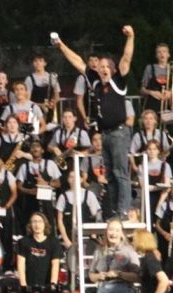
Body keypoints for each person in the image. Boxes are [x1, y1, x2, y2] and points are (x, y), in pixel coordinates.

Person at [56, 25, 136, 217]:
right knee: (110, 175)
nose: (104, 69)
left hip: (119, 132)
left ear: (113, 69)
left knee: (120, 173)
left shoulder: (118, 81)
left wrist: (131, 37)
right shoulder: (95, 81)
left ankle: (123, 210)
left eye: (108, 67)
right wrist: (61, 45)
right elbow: (77, 61)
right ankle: (116, 210)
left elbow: (126, 58)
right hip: (105, 134)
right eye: (101, 67)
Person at [87, 217, 140, 293]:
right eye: (111, 229)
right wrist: (98, 276)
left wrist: (119, 274)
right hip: (102, 292)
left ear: (122, 233)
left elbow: (138, 276)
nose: (113, 233)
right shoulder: (99, 250)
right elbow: (91, 275)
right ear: (106, 232)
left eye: (117, 230)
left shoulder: (128, 250)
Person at [14, 213, 62, 293]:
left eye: (40, 221)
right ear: (30, 225)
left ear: (45, 224)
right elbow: (20, 264)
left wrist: (53, 283)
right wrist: (23, 285)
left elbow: (55, 264)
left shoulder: (53, 242)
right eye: (34, 221)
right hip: (29, 287)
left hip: (45, 287)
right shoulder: (24, 242)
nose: (37, 225)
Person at [134, 229, 171, 293]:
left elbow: (164, 280)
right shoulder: (148, 257)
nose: (133, 242)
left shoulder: (150, 259)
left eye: (134, 239)